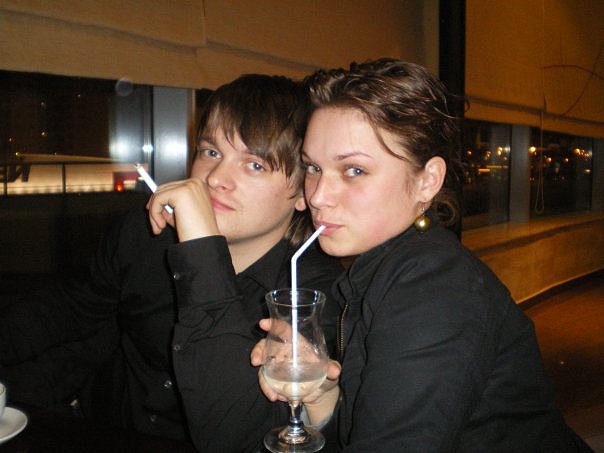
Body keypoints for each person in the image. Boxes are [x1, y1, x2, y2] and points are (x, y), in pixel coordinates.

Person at [252, 59, 591, 452]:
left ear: (427, 181)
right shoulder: (383, 271)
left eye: (354, 170)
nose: (318, 196)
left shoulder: (434, 290)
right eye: (313, 167)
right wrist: (323, 397)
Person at [0, 74, 342, 452]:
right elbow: (69, 311)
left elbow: (245, 433)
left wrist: (201, 252)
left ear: (302, 193)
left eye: (255, 165)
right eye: (211, 152)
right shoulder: (144, 234)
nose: (215, 178)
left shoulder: (315, 292)